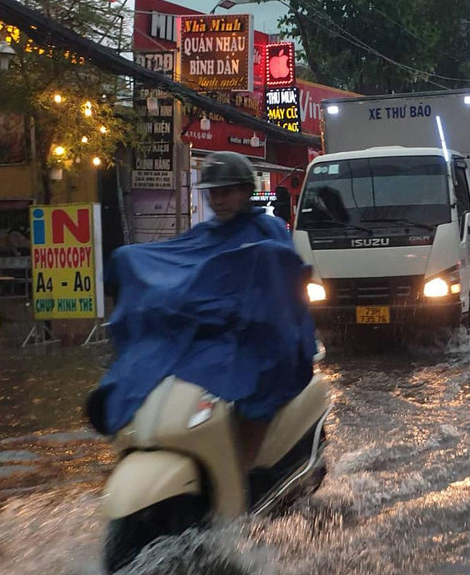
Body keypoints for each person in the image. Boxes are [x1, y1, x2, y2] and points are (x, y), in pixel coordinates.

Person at [91, 152, 316, 475]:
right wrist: (130, 263)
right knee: (142, 363)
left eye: (226, 192)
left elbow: (282, 277)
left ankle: (242, 469)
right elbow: (180, 268)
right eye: (213, 192)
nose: (218, 200)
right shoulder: (202, 235)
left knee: (256, 385)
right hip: (208, 332)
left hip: (254, 335)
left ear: (244, 190)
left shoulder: (268, 232)